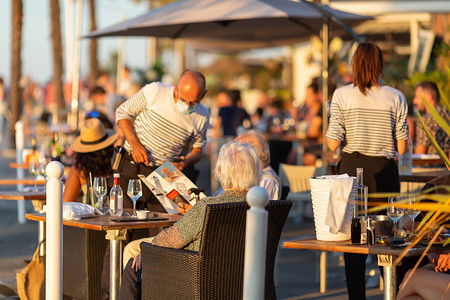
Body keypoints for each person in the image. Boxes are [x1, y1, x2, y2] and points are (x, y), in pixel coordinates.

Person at [118, 140, 262, 299]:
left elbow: (170, 239)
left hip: (194, 279)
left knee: (133, 269)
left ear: (220, 171)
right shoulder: (262, 206)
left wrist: (146, 250)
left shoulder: (209, 206)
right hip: (242, 279)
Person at [326, 42, 409, 300]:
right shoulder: (395, 96)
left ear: (354, 66)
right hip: (383, 170)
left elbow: (332, 143)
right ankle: (391, 294)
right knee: (386, 239)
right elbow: (403, 148)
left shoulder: (340, 95)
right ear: (381, 66)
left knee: (353, 242)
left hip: (351, 168)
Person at [115, 70, 210, 213]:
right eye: (183, 99)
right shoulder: (155, 91)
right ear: (175, 88)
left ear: (203, 95)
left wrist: (185, 162)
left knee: (163, 231)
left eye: (194, 102)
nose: (188, 105)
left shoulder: (202, 116)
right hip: (132, 167)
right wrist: (135, 144)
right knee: (124, 225)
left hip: (166, 175)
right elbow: (122, 113)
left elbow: (197, 151)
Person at [210, 129, 281, 201]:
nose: (234, 159)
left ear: (252, 152)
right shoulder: (245, 177)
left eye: (239, 151)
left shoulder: (266, 180)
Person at [63, 118, 118, 203]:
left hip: (90, 214)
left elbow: (67, 203)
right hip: (116, 214)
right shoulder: (117, 162)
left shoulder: (80, 169)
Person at [413, 81, 450, 156]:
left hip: (432, 166)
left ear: (429, 97)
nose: (414, 101)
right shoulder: (447, 114)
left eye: (417, 97)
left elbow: (419, 154)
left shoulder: (426, 120)